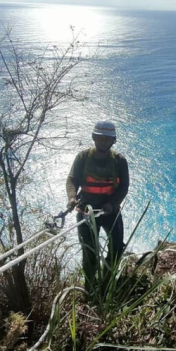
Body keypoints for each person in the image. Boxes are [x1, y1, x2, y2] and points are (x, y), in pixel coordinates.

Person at [66, 120, 130, 294]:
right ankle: (89, 290)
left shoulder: (119, 161)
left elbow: (124, 187)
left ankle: (108, 284)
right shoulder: (82, 158)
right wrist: (72, 198)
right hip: (86, 212)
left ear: (113, 141)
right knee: (89, 253)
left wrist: (112, 203)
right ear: (94, 138)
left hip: (111, 212)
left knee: (116, 249)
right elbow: (72, 179)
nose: (103, 142)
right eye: (100, 138)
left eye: (107, 139)